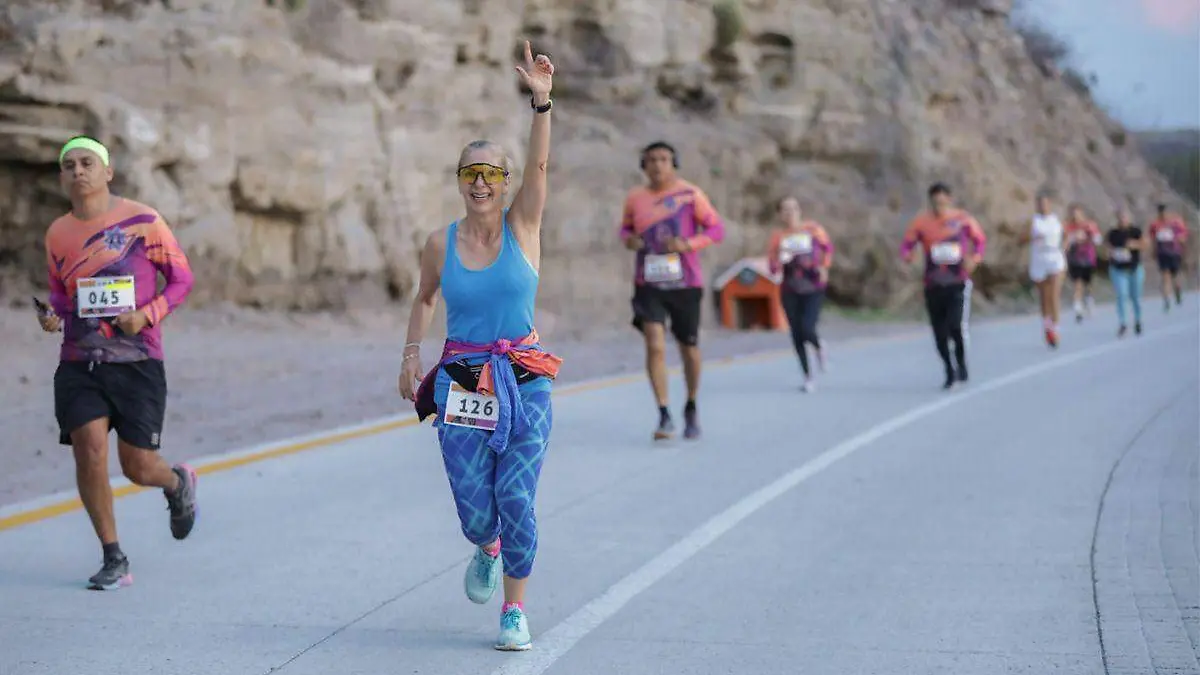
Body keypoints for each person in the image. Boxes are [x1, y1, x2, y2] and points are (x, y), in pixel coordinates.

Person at [397, 41, 560, 652]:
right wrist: (411, 354)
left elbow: (541, 168)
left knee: (516, 494)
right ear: (460, 182)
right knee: (474, 508)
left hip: (523, 371)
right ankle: (485, 546)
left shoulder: (525, 227)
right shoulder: (439, 243)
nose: (482, 183)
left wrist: (541, 103)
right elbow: (424, 296)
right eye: (472, 174)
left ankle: (514, 611)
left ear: (507, 181)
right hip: (463, 376)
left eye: (493, 173)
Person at [37, 135, 198, 591]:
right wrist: (52, 317)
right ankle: (114, 556)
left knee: (138, 466)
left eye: (87, 162)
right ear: (62, 176)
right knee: (89, 449)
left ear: (107, 171)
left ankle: (175, 483)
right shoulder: (57, 233)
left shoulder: (143, 221)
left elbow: (182, 279)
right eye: (69, 165)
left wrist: (147, 314)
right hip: (78, 361)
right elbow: (60, 296)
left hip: (138, 360)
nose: (78, 171)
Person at [619, 140, 726, 441]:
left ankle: (691, 404)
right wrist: (629, 240)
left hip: (685, 283)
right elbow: (625, 229)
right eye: (651, 159)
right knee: (654, 344)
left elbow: (716, 230)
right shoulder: (635, 198)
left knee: (688, 348)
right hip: (648, 283)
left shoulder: (690, 195)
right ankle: (664, 413)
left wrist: (688, 244)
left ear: (673, 163)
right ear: (643, 165)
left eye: (663, 159)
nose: (657, 165)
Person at [900, 182, 987, 390]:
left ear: (949, 199)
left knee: (956, 326)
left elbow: (980, 241)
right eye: (935, 202)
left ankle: (961, 362)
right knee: (939, 332)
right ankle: (949, 369)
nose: (939, 205)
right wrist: (908, 255)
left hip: (958, 281)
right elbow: (906, 244)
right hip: (933, 283)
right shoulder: (921, 223)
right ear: (930, 201)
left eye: (942, 201)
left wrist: (975, 258)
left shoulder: (963, 220)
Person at [767, 196, 832, 392]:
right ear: (779, 214)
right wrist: (779, 261)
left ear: (800, 211)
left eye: (793, 208)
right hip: (789, 289)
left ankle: (819, 346)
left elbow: (827, 248)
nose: (790, 213)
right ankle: (808, 377)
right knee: (796, 334)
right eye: (785, 210)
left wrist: (824, 266)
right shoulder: (778, 237)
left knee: (807, 327)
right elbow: (771, 266)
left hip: (813, 287)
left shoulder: (813, 229)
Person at [1023, 191, 1067, 347]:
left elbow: (1065, 236)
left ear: (1050, 204)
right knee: (1044, 297)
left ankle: (1055, 330)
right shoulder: (1033, 222)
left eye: (1045, 203)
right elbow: (1022, 238)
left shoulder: (1056, 220)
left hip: (1055, 258)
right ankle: (1047, 327)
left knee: (1054, 295)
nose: (1042, 206)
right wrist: (1032, 238)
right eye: (1039, 203)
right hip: (1039, 259)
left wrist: (1064, 247)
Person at [1106, 207, 1147, 337]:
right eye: (1120, 217)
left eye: (1124, 217)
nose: (1122, 219)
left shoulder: (1135, 231)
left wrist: (1134, 244)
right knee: (1121, 295)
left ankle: (1138, 320)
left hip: (1134, 268)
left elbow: (1145, 244)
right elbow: (1106, 248)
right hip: (1118, 269)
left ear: (1128, 218)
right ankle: (1123, 323)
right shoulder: (1113, 233)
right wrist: (1110, 252)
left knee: (1135, 297)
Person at [1063, 203, 1102, 323]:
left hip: (1088, 258)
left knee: (1088, 283)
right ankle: (1078, 308)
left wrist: (1089, 237)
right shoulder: (1068, 227)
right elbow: (1064, 242)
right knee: (1077, 283)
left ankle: (1089, 300)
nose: (1076, 217)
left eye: (1078, 214)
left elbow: (1098, 240)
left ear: (1082, 214)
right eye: (1073, 214)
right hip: (1074, 259)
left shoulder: (1089, 225)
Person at [1148, 203, 1188, 311]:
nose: (1163, 214)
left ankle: (1178, 291)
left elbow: (1183, 236)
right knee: (1165, 277)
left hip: (1174, 253)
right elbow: (1153, 240)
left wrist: (1181, 243)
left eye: (1164, 212)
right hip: (1162, 254)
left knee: (1175, 276)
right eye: (1161, 212)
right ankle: (1166, 300)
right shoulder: (1155, 225)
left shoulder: (1176, 223)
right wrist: (1153, 251)